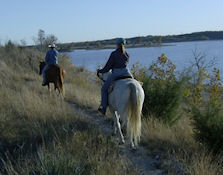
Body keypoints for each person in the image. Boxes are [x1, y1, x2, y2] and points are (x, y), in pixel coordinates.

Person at [97, 38, 133, 115]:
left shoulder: (113, 54)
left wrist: (100, 71)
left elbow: (107, 67)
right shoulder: (127, 54)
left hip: (116, 73)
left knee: (103, 89)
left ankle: (103, 107)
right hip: (127, 72)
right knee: (135, 82)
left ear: (117, 44)